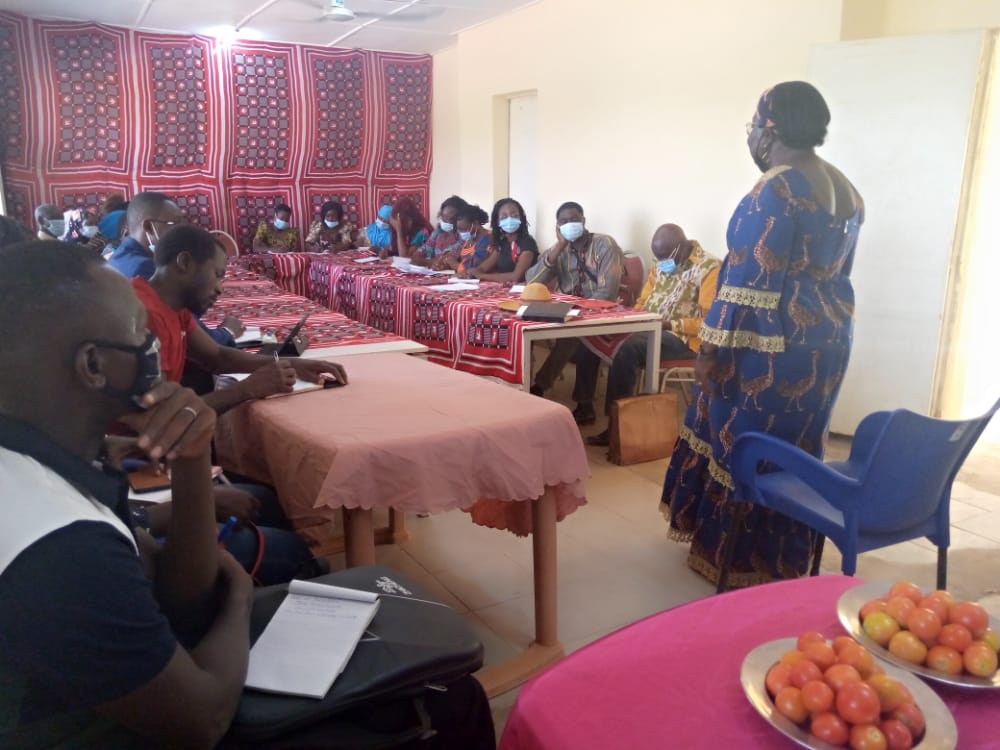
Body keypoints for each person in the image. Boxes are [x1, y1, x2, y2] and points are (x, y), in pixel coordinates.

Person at [0, 240, 495, 749]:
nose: (152, 344)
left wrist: (194, 455)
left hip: (136, 692)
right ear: (94, 366)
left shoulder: (50, 468)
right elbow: (201, 720)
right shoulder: (56, 544)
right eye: (138, 333)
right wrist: (239, 594)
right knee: (451, 699)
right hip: (146, 725)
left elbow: (179, 598)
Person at [661, 81, 864, 588]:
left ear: (770, 128)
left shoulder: (775, 188)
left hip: (765, 350)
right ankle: (783, 557)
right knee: (798, 445)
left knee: (742, 444)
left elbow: (745, 282)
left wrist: (709, 351)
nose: (750, 135)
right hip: (827, 341)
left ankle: (736, 557)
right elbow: (840, 273)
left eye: (753, 124)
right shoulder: (845, 188)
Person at [132, 224, 345, 582]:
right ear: (184, 263)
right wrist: (248, 390)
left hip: (157, 460)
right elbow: (159, 422)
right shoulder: (140, 316)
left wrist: (289, 363)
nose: (220, 287)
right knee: (287, 545)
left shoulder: (174, 308)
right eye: (217, 274)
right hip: (142, 467)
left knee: (270, 500)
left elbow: (217, 355)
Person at [586, 224, 721, 446]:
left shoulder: (710, 268)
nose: (661, 264)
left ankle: (616, 426)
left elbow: (710, 322)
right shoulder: (661, 265)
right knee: (595, 334)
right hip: (648, 327)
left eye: (665, 257)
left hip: (683, 338)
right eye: (657, 258)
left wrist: (670, 324)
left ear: (680, 248)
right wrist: (628, 317)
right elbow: (643, 300)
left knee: (627, 349)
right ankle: (583, 405)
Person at [525, 201, 624, 425]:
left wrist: (578, 311)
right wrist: (559, 247)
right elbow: (530, 281)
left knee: (574, 334)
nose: (570, 224)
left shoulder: (604, 244)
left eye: (574, 219)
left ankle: (549, 390)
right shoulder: (560, 248)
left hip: (599, 310)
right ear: (557, 226)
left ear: (584, 221)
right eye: (564, 221)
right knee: (523, 323)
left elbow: (607, 292)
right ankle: (530, 385)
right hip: (566, 310)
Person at [107, 191, 243, 348]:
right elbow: (198, 340)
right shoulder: (148, 270)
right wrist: (227, 331)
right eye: (175, 225)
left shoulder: (120, 256)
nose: (181, 232)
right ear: (149, 227)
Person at [463, 197, 539, 283]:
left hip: (524, 291)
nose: (509, 219)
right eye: (504, 217)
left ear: (521, 218)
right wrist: (467, 273)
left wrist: (481, 276)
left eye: (514, 216)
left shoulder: (527, 242)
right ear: (497, 221)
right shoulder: (502, 242)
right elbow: (483, 268)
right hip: (504, 289)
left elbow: (516, 277)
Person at [411, 195, 466, 266]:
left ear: (460, 219)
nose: (447, 222)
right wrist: (431, 262)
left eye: (451, 219)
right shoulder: (438, 231)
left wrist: (425, 262)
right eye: (444, 217)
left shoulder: (463, 236)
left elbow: (446, 261)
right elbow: (417, 255)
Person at [437, 203, 490, 273]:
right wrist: (445, 264)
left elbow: (477, 268)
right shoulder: (469, 240)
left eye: (464, 229)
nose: (461, 233)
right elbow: (456, 258)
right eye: (458, 229)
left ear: (475, 223)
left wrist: (456, 265)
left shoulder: (489, 239)